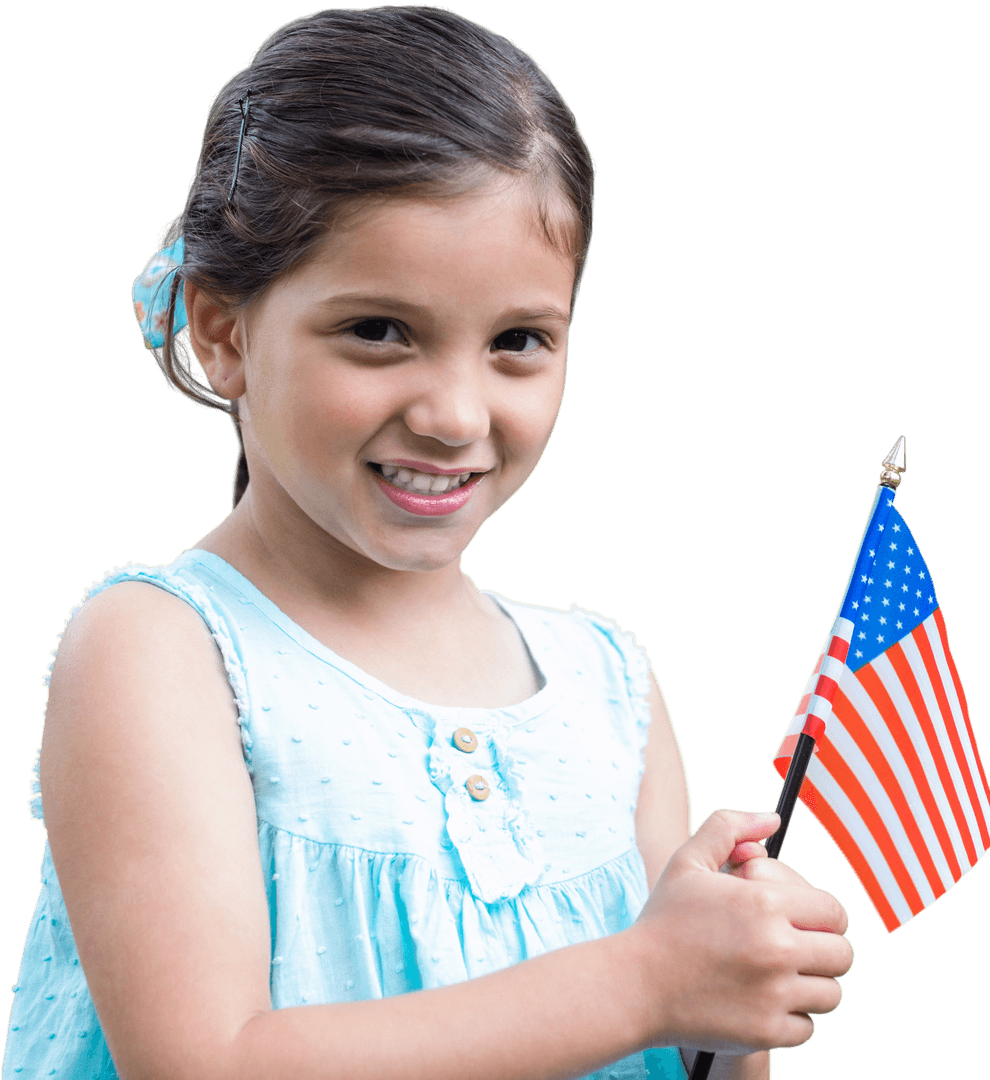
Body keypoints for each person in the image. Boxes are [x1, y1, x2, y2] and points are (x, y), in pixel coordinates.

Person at [3, 7, 852, 1079]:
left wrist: (720, 1009)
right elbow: (203, 1061)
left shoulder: (608, 689)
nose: (454, 415)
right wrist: (642, 983)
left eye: (517, 341)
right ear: (223, 332)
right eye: (378, 331)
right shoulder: (162, 653)